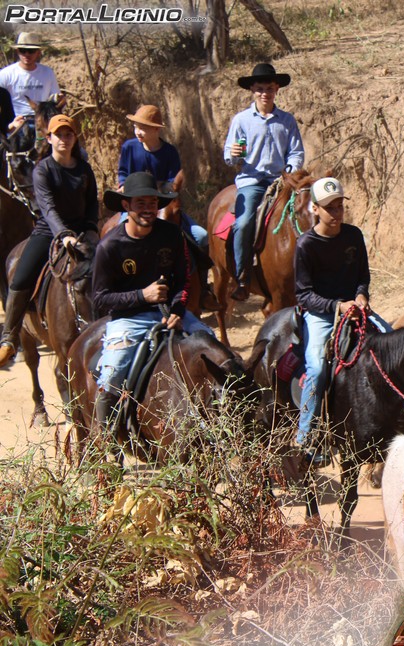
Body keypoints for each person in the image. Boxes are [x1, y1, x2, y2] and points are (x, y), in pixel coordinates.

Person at [90, 172, 213, 429]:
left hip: (169, 313)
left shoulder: (172, 234)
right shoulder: (109, 247)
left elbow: (184, 280)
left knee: (213, 346)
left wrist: (178, 309)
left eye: (152, 203)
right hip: (127, 319)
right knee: (112, 374)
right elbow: (100, 299)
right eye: (140, 203)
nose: (148, 209)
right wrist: (141, 295)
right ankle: (106, 437)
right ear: (126, 205)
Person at [294, 176, 391, 452]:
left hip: (355, 309)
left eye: (339, 206)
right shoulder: (306, 245)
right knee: (317, 368)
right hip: (321, 314)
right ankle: (304, 436)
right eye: (329, 208)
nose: (336, 213)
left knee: (391, 342)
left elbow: (362, 276)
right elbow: (303, 295)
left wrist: (361, 296)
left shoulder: (353, 235)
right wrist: (337, 306)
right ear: (315, 209)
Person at [0, 114, 97, 367]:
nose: (64, 139)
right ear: (49, 138)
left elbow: (91, 205)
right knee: (20, 277)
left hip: (82, 233)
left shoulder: (84, 169)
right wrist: (63, 234)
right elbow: (48, 208)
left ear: (74, 138)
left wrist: (91, 230)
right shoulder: (43, 169)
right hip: (48, 232)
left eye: (68, 134)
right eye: (59, 135)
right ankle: (9, 338)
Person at [115, 104, 216, 310]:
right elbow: (123, 172)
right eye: (136, 127)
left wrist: (162, 191)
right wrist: (123, 184)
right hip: (134, 205)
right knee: (116, 235)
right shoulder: (129, 148)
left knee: (201, 236)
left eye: (143, 128)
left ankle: (203, 288)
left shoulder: (169, 152)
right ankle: (118, 286)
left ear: (156, 129)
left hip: (161, 203)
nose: (138, 131)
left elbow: (173, 181)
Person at [223, 62, 305, 301]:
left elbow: (296, 152)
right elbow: (230, 155)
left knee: (305, 214)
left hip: (281, 181)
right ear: (252, 90)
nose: (264, 93)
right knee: (244, 222)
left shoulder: (287, 120)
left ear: (276, 89)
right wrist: (234, 154)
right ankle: (242, 277)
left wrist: (289, 172)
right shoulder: (241, 120)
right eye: (260, 89)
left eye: (269, 88)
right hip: (252, 180)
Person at [0, 32, 60, 152]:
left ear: (38, 52)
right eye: (23, 51)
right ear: (17, 51)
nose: (27, 54)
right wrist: (9, 125)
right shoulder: (5, 74)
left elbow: (55, 98)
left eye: (31, 51)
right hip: (17, 123)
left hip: (43, 123)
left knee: (79, 153)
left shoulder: (47, 73)